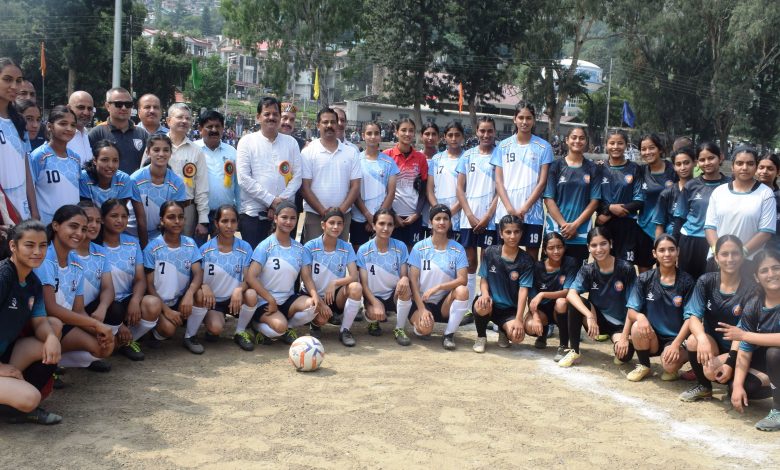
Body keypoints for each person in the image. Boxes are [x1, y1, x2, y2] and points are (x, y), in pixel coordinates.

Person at [34, 205, 114, 375]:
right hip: (39, 324)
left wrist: (99, 331)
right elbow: (50, 307)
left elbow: (78, 310)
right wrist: (96, 324)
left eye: (83, 229)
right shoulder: (45, 258)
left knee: (104, 347)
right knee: (55, 324)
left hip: (63, 325)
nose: (79, 233)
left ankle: (54, 362)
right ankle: (44, 369)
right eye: (73, 226)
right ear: (56, 226)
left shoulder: (76, 263)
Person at [0, 220, 62, 425]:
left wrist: (51, 338)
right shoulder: (3, 276)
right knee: (30, 398)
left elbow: (40, 321)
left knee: (49, 339)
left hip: (4, 353)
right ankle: (15, 402)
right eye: (29, 245)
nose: (37, 252)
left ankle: (11, 401)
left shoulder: (33, 282)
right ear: (13, 246)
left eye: (42, 246)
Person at [679, 235, 755, 402]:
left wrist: (730, 361)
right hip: (715, 344)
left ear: (742, 256)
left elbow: (743, 331)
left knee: (713, 371)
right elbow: (693, 316)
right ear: (716, 257)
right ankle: (704, 387)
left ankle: (733, 382)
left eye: (735, 253)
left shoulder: (751, 289)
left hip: (740, 349)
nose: (730, 259)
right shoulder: (706, 281)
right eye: (724, 254)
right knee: (693, 341)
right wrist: (702, 338)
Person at [719, 249, 780, 431]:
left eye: (776, 268)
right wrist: (738, 385)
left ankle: (778, 410)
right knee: (740, 387)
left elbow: (744, 338)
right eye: (764, 270)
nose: (771, 274)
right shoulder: (754, 304)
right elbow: (745, 348)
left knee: (774, 353)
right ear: (756, 277)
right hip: (770, 364)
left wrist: (744, 335)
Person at [622, 234, 695, 382]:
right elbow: (631, 310)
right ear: (654, 253)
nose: (667, 254)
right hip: (652, 335)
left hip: (676, 338)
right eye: (662, 250)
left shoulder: (687, 281)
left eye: (671, 249)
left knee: (669, 366)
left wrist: (676, 344)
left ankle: (686, 354)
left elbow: (691, 318)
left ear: (678, 251)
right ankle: (644, 365)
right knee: (636, 326)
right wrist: (640, 317)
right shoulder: (644, 279)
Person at [562, 227, 637, 367]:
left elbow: (633, 305)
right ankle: (574, 350)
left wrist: (624, 336)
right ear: (588, 248)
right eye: (594, 245)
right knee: (575, 302)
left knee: (624, 356)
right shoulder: (587, 269)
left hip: (619, 324)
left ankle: (616, 339)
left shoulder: (626, 268)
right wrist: (589, 316)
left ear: (611, 244)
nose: (599, 249)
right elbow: (571, 294)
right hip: (596, 320)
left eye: (603, 244)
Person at [245, 201, 319, 343]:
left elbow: (307, 278)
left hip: (287, 299)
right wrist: (270, 299)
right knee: (279, 327)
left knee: (314, 307)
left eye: (292, 218)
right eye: (284, 217)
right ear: (275, 218)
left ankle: (288, 327)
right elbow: (251, 277)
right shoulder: (265, 246)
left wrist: (315, 296)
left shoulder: (300, 249)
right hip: (265, 301)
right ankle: (256, 325)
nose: (288, 222)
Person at [99, 199, 161, 361]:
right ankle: (116, 336)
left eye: (124, 216)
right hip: (105, 304)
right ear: (102, 219)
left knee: (153, 303)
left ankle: (127, 341)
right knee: (107, 346)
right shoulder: (95, 246)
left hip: (126, 300)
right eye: (114, 216)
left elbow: (140, 279)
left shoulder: (132, 243)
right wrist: (120, 325)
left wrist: (135, 300)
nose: (120, 220)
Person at [236, 96, 302, 248]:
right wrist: (271, 201)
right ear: (258, 117)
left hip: (284, 216)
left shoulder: (291, 143)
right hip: (253, 214)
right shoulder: (246, 142)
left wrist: (280, 203)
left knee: (283, 259)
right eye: (267, 114)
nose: (271, 117)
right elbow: (244, 178)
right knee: (254, 259)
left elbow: (297, 176)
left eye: (275, 114)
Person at [493, 102, 553, 260]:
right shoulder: (502, 146)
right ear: (514, 119)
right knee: (503, 258)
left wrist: (524, 209)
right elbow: (498, 182)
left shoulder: (544, 147)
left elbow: (542, 182)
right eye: (521, 117)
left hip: (532, 214)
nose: (524, 122)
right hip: (505, 212)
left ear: (534, 120)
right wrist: (510, 209)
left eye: (528, 118)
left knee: (531, 258)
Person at [143, 201, 204, 353]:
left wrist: (189, 294)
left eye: (180, 217)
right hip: (159, 302)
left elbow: (198, 273)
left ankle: (190, 336)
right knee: (168, 330)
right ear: (162, 221)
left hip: (180, 300)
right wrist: (166, 311)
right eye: (171, 217)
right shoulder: (152, 248)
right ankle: (153, 332)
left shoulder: (190, 244)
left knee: (200, 293)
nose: (177, 221)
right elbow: (149, 285)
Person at [195, 205, 258, 351]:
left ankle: (240, 332)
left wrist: (238, 290)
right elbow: (197, 277)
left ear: (237, 223)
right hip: (214, 301)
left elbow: (249, 278)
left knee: (251, 294)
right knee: (215, 328)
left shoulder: (245, 247)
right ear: (216, 223)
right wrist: (203, 286)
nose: (229, 226)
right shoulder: (205, 249)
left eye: (233, 221)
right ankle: (211, 327)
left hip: (235, 299)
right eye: (224, 221)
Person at [407, 205, 469, 350]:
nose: (442, 222)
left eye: (445, 219)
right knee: (425, 329)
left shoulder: (458, 249)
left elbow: (463, 279)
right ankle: (422, 322)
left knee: (462, 290)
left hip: (444, 303)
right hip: (422, 300)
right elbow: (413, 281)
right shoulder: (419, 247)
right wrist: (422, 309)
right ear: (430, 222)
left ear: (450, 223)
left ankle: (449, 335)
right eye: (438, 219)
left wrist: (439, 287)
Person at [471, 215, 534, 353]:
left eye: (516, 232)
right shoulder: (490, 252)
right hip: (491, 303)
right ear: (501, 233)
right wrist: (485, 294)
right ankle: (481, 336)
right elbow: (484, 278)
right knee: (481, 305)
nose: (512, 236)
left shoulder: (526, 260)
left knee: (517, 337)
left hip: (509, 310)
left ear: (521, 233)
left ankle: (503, 331)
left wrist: (519, 319)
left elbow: (523, 290)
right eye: (508, 232)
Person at [301, 208, 363, 346]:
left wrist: (335, 283)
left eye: (339, 223)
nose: (336, 227)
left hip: (334, 296)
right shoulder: (310, 246)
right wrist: (320, 301)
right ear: (323, 225)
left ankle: (345, 330)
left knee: (356, 287)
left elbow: (354, 276)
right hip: (313, 295)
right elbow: (306, 277)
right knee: (322, 319)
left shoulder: (346, 247)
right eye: (332, 223)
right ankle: (315, 324)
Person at [704, 146, 776, 264]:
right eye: (739, 163)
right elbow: (710, 227)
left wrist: (740, 254)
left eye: (750, 164)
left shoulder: (766, 194)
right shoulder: (719, 191)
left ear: (756, 167)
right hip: (718, 260)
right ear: (732, 166)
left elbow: (765, 232)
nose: (744, 167)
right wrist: (718, 252)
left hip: (748, 262)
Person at [301, 108, 361, 243]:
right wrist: (324, 212)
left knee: (340, 253)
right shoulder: (308, 152)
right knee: (314, 253)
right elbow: (305, 188)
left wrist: (339, 213)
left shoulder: (351, 152)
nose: (329, 125)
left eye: (333, 122)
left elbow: (355, 186)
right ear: (318, 125)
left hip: (343, 216)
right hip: (315, 216)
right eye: (325, 122)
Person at [456, 117, 499, 309]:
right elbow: (460, 188)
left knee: (487, 261)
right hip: (469, 218)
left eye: (490, 131)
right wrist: (470, 215)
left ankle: (484, 304)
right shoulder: (467, 155)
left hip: (491, 218)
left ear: (494, 132)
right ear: (476, 132)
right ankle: (467, 307)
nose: (486, 134)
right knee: (470, 260)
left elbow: (501, 189)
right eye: (482, 131)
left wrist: (488, 216)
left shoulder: (499, 155)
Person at [543, 127, 600, 263]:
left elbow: (594, 202)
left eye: (581, 138)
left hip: (581, 232)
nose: (577, 141)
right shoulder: (555, 166)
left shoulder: (593, 168)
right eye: (574, 137)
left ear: (586, 141)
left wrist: (575, 225)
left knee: (578, 274)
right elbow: (548, 199)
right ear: (567, 140)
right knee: (551, 273)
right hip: (555, 231)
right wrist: (564, 225)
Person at [356, 209, 413, 346]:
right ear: (374, 225)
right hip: (373, 296)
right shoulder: (363, 250)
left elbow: (403, 275)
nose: (386, 228)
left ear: (394, 227)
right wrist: (375, 302)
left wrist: (405, 278)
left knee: (406, 287)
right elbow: (363, 284)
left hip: (394, 294)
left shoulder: (400, 246)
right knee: (373, 313)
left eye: (390, 224)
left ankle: (399, 329)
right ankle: (373, 322)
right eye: (381, 224)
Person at [673, 142, 729, 279]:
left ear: (721, 157)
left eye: (711, 158)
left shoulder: (730, 185)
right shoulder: (691, 185)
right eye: (702, 160)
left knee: (713, 282)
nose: (707, 163)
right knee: (687, 281)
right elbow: (679, 218)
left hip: (718, 241)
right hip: (691, 240)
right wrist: (674, 246)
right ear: (697, 162)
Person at [73, 201, 118, 372]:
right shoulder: (66, 252)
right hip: (68, 312)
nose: (94, 225)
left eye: (98, 221)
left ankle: (91, 354)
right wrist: (97, 328)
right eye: (89, 220)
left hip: (89, 311)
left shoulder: (100, 251)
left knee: (115, 309)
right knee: (103, 340)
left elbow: (108, 288)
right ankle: (55, 365)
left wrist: (102, 308)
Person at [79, 140, 146, 247]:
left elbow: (118, 211)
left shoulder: (124, 179)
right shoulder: (84, 178)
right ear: (95, 160)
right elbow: (87, 212)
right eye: (104, 160)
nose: (110, 165)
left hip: (113, 229)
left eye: (115, 160)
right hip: (90, 228)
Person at [594, 129, 644, 266]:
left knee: (625, 267)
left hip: (627, 225)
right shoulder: (598, 169)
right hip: (603, 223)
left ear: (626, 145)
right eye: (612, 143)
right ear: (606, 145)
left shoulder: (634, 168)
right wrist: (608, 209)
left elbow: (639, 200)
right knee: (603, 266)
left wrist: (611, 211)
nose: (615, 147)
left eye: (620, 143)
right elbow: (593, 198)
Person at [127, 134, 185, 244]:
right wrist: (146, 249)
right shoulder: (135, 179)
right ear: (148, 152)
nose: (161, 154)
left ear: (171, 153)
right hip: (133, 235)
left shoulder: (177, 183)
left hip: (161, 236)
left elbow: (175, 218)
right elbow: (141, 221)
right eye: (156, 150)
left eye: (166, 150)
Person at [529, 232, 579, 357]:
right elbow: (532, 297)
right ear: (544, 251)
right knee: (529, 326)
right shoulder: (537, 267)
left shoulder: (570, 262)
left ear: (564, 247)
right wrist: (535, 316)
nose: (556, 251)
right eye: (551, 248)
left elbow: (567, 292)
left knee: (561, 302)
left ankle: (563, 345)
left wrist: (543, 294)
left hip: (561, 308)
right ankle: (542, 335)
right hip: (543, 310)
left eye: (559, 247)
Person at [351, 121, 399, 250]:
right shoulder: (355, 160)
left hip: (381, 221)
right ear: (363, 135)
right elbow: (353, 191)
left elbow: (391, 192)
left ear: (380, 136)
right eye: (369, 133)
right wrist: (368, 216)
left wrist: (377, 218)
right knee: (359, 254)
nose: (373, 136)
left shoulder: (389, 162)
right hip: (359, 217)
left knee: (380, 253)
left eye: (376, 133)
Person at [29, 105, 81, 225]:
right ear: (49, 126)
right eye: (63, 124)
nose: (69, 128)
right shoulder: (38, 156)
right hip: (47, 224)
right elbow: (29, 190)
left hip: (72, 224)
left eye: (73, 125)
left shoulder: (76, 158)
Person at [0, 58, 38, 220]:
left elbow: (26, 168)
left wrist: (34, 209)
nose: (14, 86)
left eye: (18, 80)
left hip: (22, 209)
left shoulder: (19, 121)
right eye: (7, 79)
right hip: (3, 210)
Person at [165, 103, 209, 240]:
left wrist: (203, 220)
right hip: (160, 205)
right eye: (180, 117)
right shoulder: (157, 145)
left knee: (185, 246)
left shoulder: (196, 151)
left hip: (187, 209)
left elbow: (202, 187)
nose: (184, 121)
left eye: (188, 118)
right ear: (168, 121)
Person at [385, 118, 428, 250]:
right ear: (396, 132)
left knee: (412, 254)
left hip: (413, 217)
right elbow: (384, 190)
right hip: (392, 216)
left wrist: (417, 214)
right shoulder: (387, 156)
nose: (407, 134)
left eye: (411, 130)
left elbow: (424, 190)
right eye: (403, 130)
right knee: (393, 253)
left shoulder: (421, 158)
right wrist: (393, 214)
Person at [194, 110, 239, 232]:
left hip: (224, 215)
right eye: (209, 126)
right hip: (197, 214)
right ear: (200, 129)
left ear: (223, 128)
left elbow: (238, 184)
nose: (214, 130)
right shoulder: (193, 149)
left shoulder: (232, 152)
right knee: (197, 244)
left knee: (222, 245)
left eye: (218, 126)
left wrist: (238, 211)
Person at [635, 134, 675, 271]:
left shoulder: (673, 170)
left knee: (666, 271)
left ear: (660, 149)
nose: (647, 152)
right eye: (643, 149)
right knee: (644, 271)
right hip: (644, 228)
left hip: (667, 229)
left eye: (651, 148)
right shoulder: (640, 171)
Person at [88, 87, 149, 174]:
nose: (124, 108)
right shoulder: (97, 133)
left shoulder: (142, 134)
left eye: (128, 104)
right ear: (107, 106)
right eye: (119, 104)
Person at [428, 122, 463, 239]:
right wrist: (439, 211)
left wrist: (450, 212)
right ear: (444, 137)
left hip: (459, 215)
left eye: (457, 135)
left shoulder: (467, 158)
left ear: (462, 137)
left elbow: (468, 190)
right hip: (438, 216)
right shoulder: (436, 159)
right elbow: (429, 189)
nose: (453, 138)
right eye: (450, 135)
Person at [653, 147, 695, 238]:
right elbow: (659, 226)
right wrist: (658, 245)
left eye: (686, 163)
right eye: (678, 164)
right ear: (674, 167)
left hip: (696, 240)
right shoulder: (666, 193)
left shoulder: (702, 190)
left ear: (695, 163)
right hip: (672, 240)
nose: (683, 168)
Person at [419, 122, 441, 238]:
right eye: (427, 134)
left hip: (437, 208)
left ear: (439, 137)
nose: (430, 137)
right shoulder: (416, 157)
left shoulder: (443, 159)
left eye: (434, 134)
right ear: (421, 136)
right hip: (417, 211)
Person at [756, 153, 780, 252]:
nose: (764, 171)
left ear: (778, 172)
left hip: (775, 251)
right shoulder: (746, 194)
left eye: (770, 169)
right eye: (761, 167)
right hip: (749, 249)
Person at [66, 91, 95, 165]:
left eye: (90, 109)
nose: (86, 113)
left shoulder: (87, 135)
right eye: (81, 107)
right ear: (69, 108)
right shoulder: (61, 136)